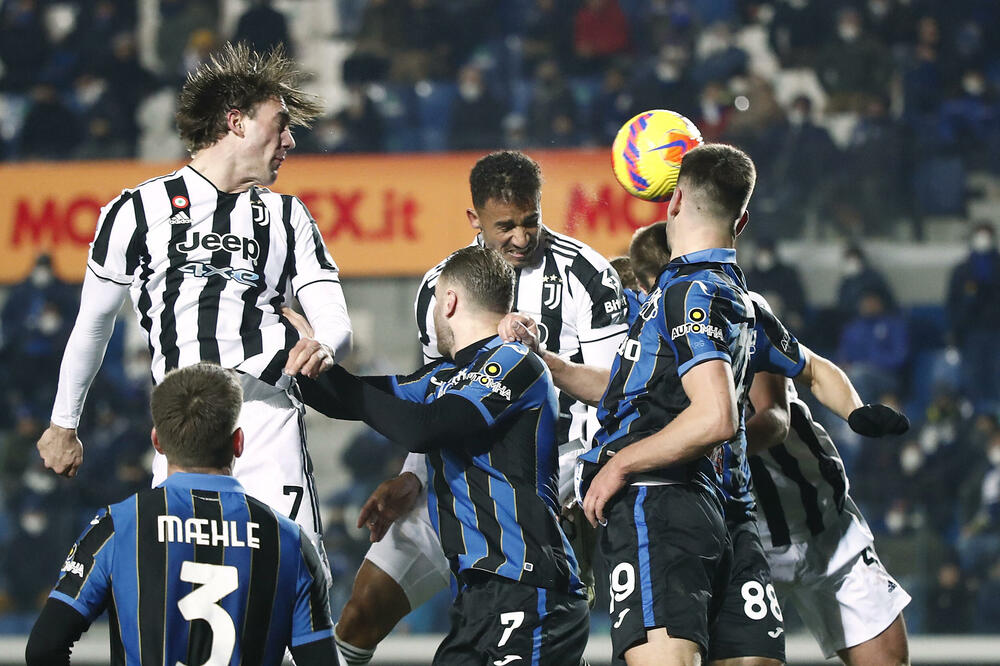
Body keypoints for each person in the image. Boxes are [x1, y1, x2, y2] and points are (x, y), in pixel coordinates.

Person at [35, 43, 351, 570]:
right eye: (280, 124)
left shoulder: (287, 216)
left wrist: (325, 344)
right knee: (188, 597)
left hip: (265, 416)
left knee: (296, 581)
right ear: (237, 122)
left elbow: (332, 315)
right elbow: (93, 323)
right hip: (183, 425)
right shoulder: (135, 210)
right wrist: (63, 423)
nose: (290, 140)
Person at [330, 149, 627, 664]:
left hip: (547, 496)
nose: (520, 236)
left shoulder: (588, 276)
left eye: (530, 221)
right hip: (456, 481)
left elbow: (616, 392)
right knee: (361, 611)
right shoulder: (441, 287)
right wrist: (412, 479)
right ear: (474, 219)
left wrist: (540, 361)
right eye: (505, 225)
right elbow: (437, 394)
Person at [287, 246, 590, 665]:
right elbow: (348, 398)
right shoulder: (441, 377)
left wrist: (346, 387)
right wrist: (296, 351)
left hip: (528, 587)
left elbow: (425, 427)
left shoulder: (516, 361)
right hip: (477, 599)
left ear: (448, 301)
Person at [25, 362, 338, 665]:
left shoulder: (119, 526)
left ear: (157, 442)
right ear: (238, 442)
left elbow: (43, 649)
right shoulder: (289, 542)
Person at [581, 144, 757, 665]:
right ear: (740, 220)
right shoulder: (733, 291)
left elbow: (716, 416)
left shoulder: (686, 290)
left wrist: (618, 465)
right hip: (708, 506)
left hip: (656, 503)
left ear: (673, 199)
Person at [946, 222, 1000, 411]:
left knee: (996, 376)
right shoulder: (962, 270)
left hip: (996, 330)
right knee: (973, 378)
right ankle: (977, 416)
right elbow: (953, 303)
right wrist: (954, 330)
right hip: (971, 332)